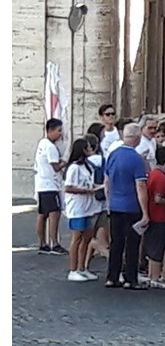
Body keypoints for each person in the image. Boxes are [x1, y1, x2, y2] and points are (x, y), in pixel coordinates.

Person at [104, 123, 150, 290]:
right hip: (131, 206)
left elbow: (107, 182)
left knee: (116, 242)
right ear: (137, 138)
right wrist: (145, 212)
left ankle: (112, 277)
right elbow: (140, 186)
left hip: (115, 204)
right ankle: (130, 278)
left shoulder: (113, 155)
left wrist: (109, 202)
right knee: (132, 243)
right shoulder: (136, 159)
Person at [63, 138, 102, 282]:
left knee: (87, 237)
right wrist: (86, 191)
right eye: (88, 148)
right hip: (77, 207)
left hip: (88, 206)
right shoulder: (74, 167)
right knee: (77, 238)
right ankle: (73, 269)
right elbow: (68, 187)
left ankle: (82, 267)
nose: (91, 150)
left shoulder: (87, 166)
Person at [34, 118, 68, 255]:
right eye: (59, 130)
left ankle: (42, 243)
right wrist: (65, 161)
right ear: (50, 130)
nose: (60, 133)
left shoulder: (42, 143)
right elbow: (56, 167)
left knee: (42, 214)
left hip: (42, 183)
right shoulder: (50, 147)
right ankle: (55, 243)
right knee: (54, 213)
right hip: (50, 184)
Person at [144, 146, 165, 289]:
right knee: (158, 247)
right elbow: (158, 198)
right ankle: (155, 277)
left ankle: (152, 275)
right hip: (160, 215)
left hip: (152, 214)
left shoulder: (152, 173)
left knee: (152, 246)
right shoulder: (161, 177)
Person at [83, 133, 110, 272]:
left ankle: (85, 265)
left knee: (88, 236)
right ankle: (85, 264)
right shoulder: (105, 160)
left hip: (90, 202)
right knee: (99, 232)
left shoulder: (85, 163)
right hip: (104, 201)